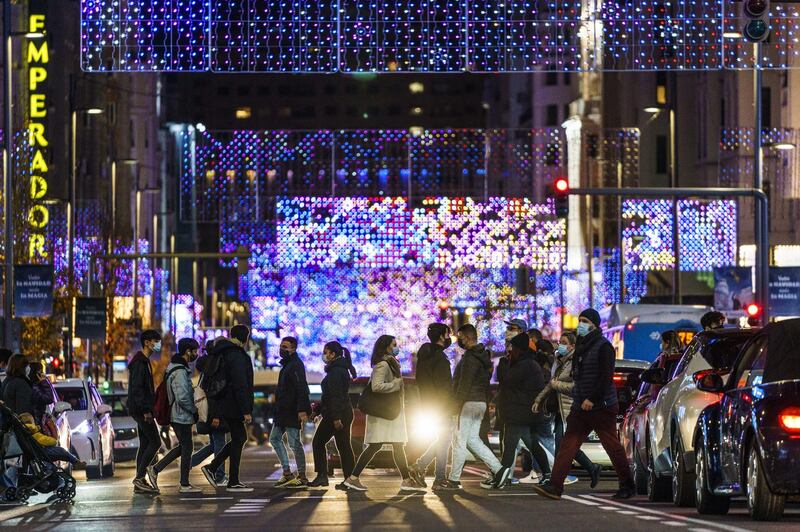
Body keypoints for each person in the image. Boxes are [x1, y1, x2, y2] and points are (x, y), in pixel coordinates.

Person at [533, 308, 636, 501]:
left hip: (601, 406)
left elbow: (606, 377)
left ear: (594, 325)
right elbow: (578, 376)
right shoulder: (582, 346)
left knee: (612, 446)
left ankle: (627, 485)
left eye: (585, 321)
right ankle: (555, 486)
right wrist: (580, 399)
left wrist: (593, 399)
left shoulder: (603, 346)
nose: (581, 324)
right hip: (581, 406)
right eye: (580, 320)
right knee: (567, 445)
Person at [343, 335, 424, 493]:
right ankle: (353, 478)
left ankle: (406, 480)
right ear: (386, 347)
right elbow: (377, 386)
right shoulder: (383, 365)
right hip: (383, 414)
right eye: (394, 344)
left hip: (390, 413)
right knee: (376, 446)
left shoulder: (391, 364)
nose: (396, 347)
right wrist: (396, 383)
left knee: (395, 445)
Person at [533, 332, 601, 487]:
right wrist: (539, 399)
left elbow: (574, 387)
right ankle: (591, 468)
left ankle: (556, 481)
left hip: (570, 409)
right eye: (560, 341)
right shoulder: (560, 361)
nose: (560, 345)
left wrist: (556, 384)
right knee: (565, 446)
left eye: (564, 342)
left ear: (572, 346)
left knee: (564, 447)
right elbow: (551, 383)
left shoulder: (574, 362)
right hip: (560, 410)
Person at [443, 324, 504, 490]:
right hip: (480, 402)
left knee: (459, 441)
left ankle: (454, 480)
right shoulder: (483, 357)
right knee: (473, 440)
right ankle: (498, 470)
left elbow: (464, 384)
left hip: (467, 402)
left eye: (460, 337)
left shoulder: (470, 358)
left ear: (468, 338)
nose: (459, 341)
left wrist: (455, 405)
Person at [487, 333, 552, 489]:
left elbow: (506, 381)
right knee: (531, 444)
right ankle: (547, 474)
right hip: (524, 412)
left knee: (510, 444)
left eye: (513, 347)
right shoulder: (528, 363)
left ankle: (501, 476)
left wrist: (505, 363)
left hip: (520, 412)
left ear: (519, 349)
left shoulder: (525, 365)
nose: (510, 350)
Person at [200, 325, 255, 492]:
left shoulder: (223, 351)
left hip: (224, 402)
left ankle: (217, 469)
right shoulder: (237, 355)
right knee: (239, 438)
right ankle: (230, 478)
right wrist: (246, 409)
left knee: (239, 438)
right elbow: (240, 384)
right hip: (233, 404)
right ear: (245, 338)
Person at [148, 338, 201, 494]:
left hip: (179, 415)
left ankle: (156, 469)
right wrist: (194, 410)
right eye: (194, 351)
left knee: (183, 446)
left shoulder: (178, 368)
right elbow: (182, 397)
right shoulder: (179, 371)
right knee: (187, 447)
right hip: (180, 415)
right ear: (187, 351)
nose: (196, 354)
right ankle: (184, 483)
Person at [410, 323, 454, 490]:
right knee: (444, 441)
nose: (450, 337)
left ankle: (421, 467)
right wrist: (450, 406)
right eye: (448, 334)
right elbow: (445, 386)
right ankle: (439, 478)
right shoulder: (440, 358)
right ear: (442, 336)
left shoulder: (424, 357)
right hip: (441, 405)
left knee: (442, 440)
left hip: (428, 404)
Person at [309, 341, 357, 488]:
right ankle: (350, 479)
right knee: (344, 446)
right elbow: (330, 396)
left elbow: (336, 396)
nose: (324, 355)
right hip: (341, 412)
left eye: (326, 352)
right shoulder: (338, 369)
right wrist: (317, 411)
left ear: (333, 354)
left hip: (336, 414)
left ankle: (322, 476)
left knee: (318, 443)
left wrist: (336, 417)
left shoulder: (336, 372)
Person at [270, 336, 312, 488]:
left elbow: (301, 387)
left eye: (286, 347)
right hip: (282, 410)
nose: (282, 349)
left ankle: (302, 476)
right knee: (274, 438)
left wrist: (302, 409)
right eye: (281, 346)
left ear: (294, 348)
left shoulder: (296, 364)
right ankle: (287, 473)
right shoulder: (287, 365)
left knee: (294, 443)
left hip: (291, 410)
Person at [128, 330, 162, 494]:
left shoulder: (144, 361)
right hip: (141, 410)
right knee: (155, 442)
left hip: (141, 409)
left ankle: (139, 483)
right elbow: (138, 389)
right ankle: (140, 477)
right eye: (156, 340)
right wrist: (146, 410)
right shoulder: (140, 362)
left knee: (145, 444)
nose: (158, 344)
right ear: (147, 342)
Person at [191, 338, 229, 486]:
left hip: (210, 412)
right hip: (215, 413)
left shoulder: (207, 367)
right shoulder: (215, 366)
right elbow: (215, 393)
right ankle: (219, 476)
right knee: (220, 443)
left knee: (215, 444)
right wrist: (217, 415)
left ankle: (188, 463)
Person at [19, 412, 84, 467]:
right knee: (61, 451)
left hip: (33, 453)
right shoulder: (33, 433)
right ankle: (76, 462)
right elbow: (52, 442)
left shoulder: (22, 431)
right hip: (41, 453)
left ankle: (76, 462)